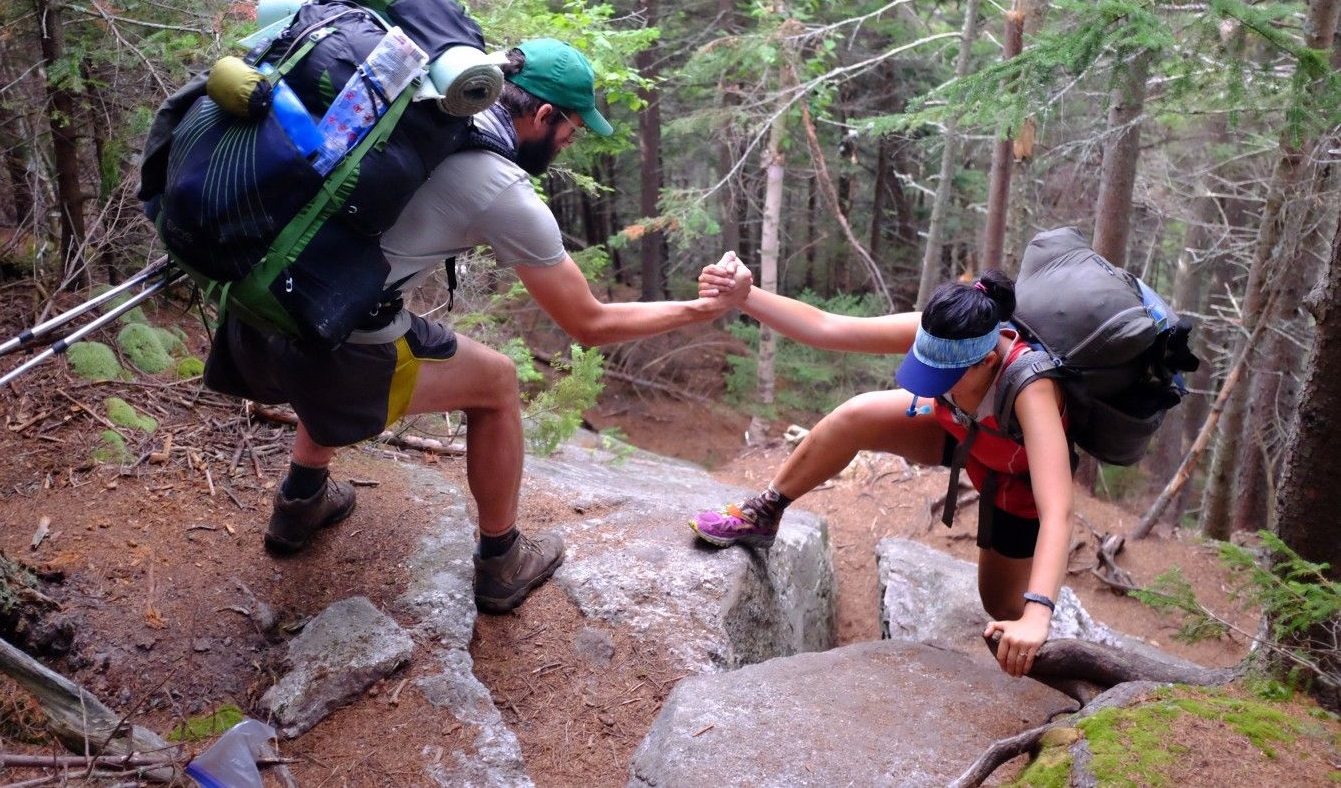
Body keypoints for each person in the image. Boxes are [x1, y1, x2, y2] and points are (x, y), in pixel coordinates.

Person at [197, 39, 750, 614]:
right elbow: (589, 322)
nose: (569, 143)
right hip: (330, 357)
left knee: (360, 309)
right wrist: (701, 309)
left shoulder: (416, 111)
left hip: (254, 316)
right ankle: (502, 560)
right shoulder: (499, 189)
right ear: (542, 116)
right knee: (498, 383)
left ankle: (301, 499)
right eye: (572, 130)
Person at [688, 255, 1071, 677]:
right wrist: (745, 296)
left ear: (987, 362)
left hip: (1016, 479)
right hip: (963, 432)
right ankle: (765, 511)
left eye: (943, 375)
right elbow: (827, 327)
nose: (931, 379)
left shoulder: (1030, 387)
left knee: (1002, 605)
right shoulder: (943, 330)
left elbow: (1058, 511)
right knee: (858, 414)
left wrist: (1037, 615)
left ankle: (1057, 658)